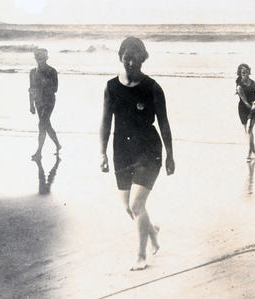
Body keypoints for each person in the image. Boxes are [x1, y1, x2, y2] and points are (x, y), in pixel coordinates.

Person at [100, 37, 175, 271]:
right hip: (121, 150)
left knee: (136, 205)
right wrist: (101, 153)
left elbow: (163, 123)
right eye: (126, 57)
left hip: (148, 150)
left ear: (143, 59)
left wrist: (171, 154)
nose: (130, 62)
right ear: (120, 57)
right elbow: (105, 121)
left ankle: (141, 256)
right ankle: (151, 230)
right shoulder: (111, 87)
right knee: (128, 208)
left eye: (135, 57)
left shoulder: (153, 88)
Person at [29, 48, 61, 160]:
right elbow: (31, 89)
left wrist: (46, 83)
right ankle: (58, 145)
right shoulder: (32, 72)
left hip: (49, 101)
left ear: (46, 58)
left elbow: (56, 89)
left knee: (41, 124)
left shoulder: (52, 71)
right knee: (46, 125)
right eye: (37, 58)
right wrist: (31, 104)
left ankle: (39, 152)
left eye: (41, 58)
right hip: (38, 102)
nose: (39, 60)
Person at [235, 64, 255, 160]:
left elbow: (254, 96)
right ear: (240, 73)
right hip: (243, 108)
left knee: (250, 129)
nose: (244, 72)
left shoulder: (253, 82)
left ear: (249, 72)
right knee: (248, 130)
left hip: (253, 107)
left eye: (246, 71)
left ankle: (250, 152)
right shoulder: (239, 86)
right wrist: (252, 107)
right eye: (242, 71)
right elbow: (245, 101)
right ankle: (253, 151)